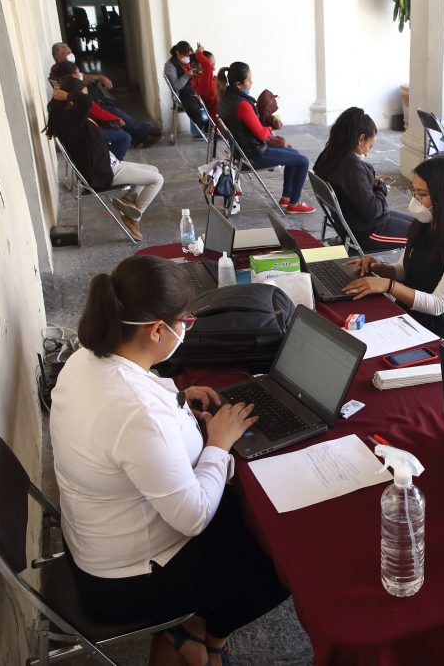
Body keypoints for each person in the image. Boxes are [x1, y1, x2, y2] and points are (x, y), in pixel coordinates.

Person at [49, 255, 289, 666]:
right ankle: (199, 635)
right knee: (282, 559)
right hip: (126, 581)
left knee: (241, 510)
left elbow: (136, 415)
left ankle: (193, 630)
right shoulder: (137, 412)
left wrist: (179, 404)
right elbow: (193, 516)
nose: (186, 329)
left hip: (96, 540)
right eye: (185, 322)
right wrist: (218, 442)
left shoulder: (84, 359)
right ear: (157, 329)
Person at [343, 156, 444, 336]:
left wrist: (389, 286)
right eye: (414, 192)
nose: (415, 201)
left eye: (422, 195)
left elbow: (438, 305)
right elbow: (405, 269)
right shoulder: (425, 223)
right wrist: (380, 268)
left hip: (433, 329)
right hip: (406, 314)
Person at [47, 75, 163, 241]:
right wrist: (66, 95)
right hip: (104, 171)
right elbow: (85, 102)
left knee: (153, 170)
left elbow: (85, 104)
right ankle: (133, 218)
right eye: (83, 94)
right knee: (157, 179)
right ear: (73, 99)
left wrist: (68, 96)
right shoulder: (72, 120)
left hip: (106, 164)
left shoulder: (69, 116)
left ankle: (128, 200)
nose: (87, 99)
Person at [219, 61, 315, 213]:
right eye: (249, 80)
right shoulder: (242, 104)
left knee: (295, 155)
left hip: (241, 152)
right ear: (238, 84)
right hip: (254, 154)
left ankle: (286, 198)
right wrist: (270, 127)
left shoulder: (226, 99)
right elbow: (261, 134)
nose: (251, 83)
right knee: (303, 162)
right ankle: (294, 204)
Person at [313, 106, 413, 251]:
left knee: (420, 225)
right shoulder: (351, 167)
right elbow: (373, 210)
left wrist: (368, 184)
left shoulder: (329, 155)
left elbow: (349, 188)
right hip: (368, 232)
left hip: (355, 224)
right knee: (423, 236)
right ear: (360, 139)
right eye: (370, 146)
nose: (367, 152)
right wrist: (381, 189)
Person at [49, 42, 161, 147]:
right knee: (113, 112)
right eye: (67, 53)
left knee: (113, 109)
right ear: (58, 56)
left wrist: (99, 77)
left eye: (70, 52)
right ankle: (144, 130)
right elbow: (74, 91)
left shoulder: (68, 67)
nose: (71, 55)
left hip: (86, 101)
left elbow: (82, 78)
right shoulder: (60, 72)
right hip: (82, 107)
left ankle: (140, 135)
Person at [51, 60, 131, 160]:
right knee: (124, 137)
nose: (81, 74)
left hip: (78, 135)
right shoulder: (75, 90)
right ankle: (111, 163)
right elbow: (90, 107)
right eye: (78, 72)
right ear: (74, 75)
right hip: (85, 135)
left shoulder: (59, 92)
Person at [164, 41, 208, 138]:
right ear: (178, 53)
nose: (188, 58)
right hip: (182, 94)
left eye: (189, 55)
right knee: (193, 106)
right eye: (185, 56)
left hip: (194, 89)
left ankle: (211, 127)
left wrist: (200, 55)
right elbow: (176, 86)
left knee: (212, 97)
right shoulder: (170, 66)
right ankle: (202, 128)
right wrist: (187, 75)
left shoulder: (191, 58)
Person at [192, 44, 218, 118]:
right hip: (217, 117)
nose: (214, 68)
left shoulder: (197, 78)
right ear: (201, 65)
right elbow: (207, 65)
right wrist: (198, 53)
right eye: (213, 65)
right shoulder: (203, 82)